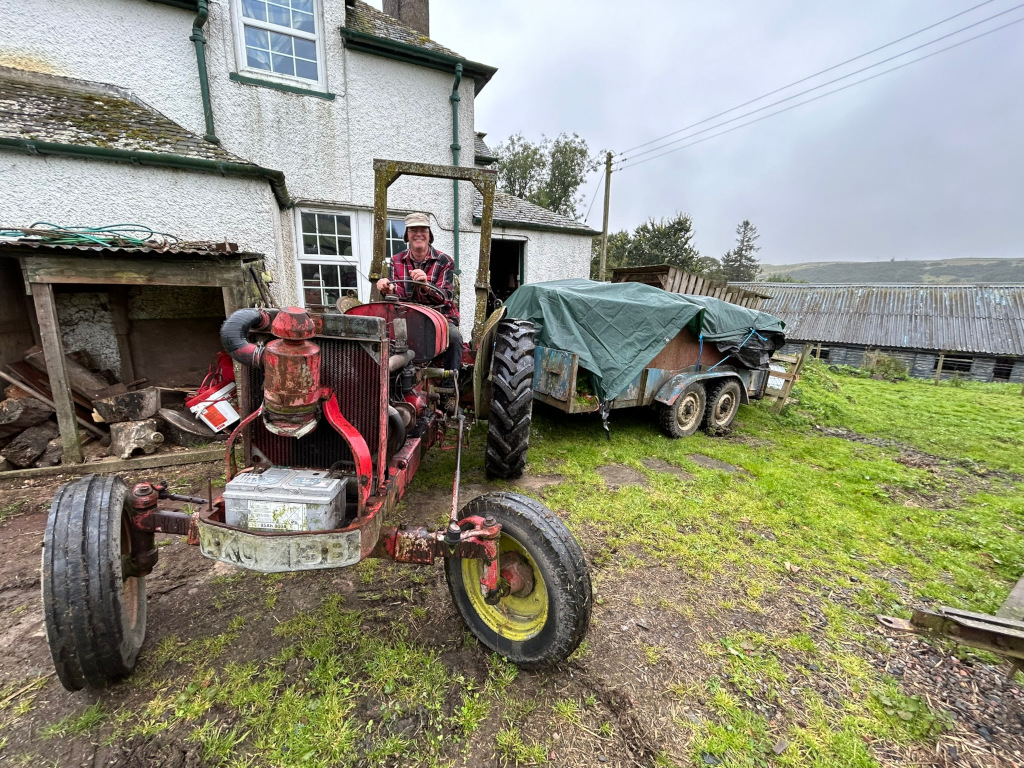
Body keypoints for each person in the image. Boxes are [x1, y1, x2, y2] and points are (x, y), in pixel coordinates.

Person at [376, 212, 462, 372]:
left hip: (440, 317)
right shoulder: (396, 260)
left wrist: (426, 286)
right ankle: (385, 383)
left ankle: (450, 386)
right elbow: (397, 295)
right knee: (379, 335)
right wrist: (388, 290)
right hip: (407, 317)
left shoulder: (445, 261)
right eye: (413, 230)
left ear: (430, 235)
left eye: (423, 230)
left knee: (454, 338)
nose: (418, 234)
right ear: (407, 235)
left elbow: (446, 297)